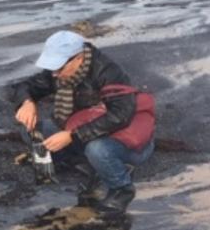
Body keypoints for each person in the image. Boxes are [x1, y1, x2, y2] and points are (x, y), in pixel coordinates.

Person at [11, 30, 155, 213]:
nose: (54, 74)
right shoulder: (60, 71)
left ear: (78, 58)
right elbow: (24, 86)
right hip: (81, 128)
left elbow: (121, 115)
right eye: (52, 67)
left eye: (59, 68)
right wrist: (27, 102)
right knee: (31, 129)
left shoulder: (108, 73)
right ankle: (74, 162)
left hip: (124, 141)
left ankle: (121, 187)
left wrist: (73, 135)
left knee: (97, 150)